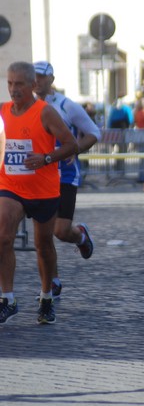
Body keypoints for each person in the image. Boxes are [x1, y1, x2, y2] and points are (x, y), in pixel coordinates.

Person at [0, 61, 78, 324]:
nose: (13, 89)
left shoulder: (45, 113)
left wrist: (46, 158)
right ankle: (8, 299)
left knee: (43, 246)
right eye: (10, 83)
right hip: (10, 186)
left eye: (19, 83)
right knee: (2, 236)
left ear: (33, 85)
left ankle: (46, 297)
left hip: (43, 189)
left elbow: (70, 144)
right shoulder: (3, 112)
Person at [34, 61, 101, 299]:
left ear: (51, 79)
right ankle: (52, 281)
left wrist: (74, 149)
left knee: (60, 231)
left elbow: (94, 132)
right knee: (42, 234)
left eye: (41, 77)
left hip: (65, 174)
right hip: (38, 175)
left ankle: (80, 235)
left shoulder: (66, 106)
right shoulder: (27, 107)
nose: (37, 81)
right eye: (33, 77)